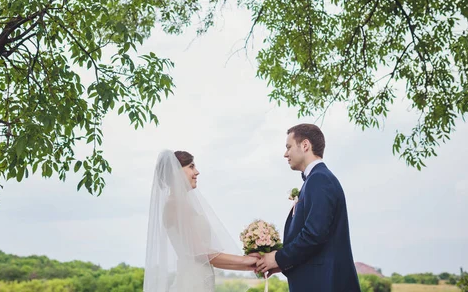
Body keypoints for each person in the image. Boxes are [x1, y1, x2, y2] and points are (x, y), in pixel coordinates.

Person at [255, 124, 361, 291]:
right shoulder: (315, 180)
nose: (285, 154)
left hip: (325, 284)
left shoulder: (319, 180)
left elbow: (314, 235)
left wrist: (278, 258)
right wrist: (283, 264)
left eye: (288, 147)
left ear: (305, 145)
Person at [143, 150, 257, 292]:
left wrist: (249, 264)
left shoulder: (181, 203)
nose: (197, 172)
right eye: (191, 167)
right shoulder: (176, 204)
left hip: (198, 279)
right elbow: (200, 253)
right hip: (192, 284)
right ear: (176, 172)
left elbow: (205, 257)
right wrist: (246, 261)